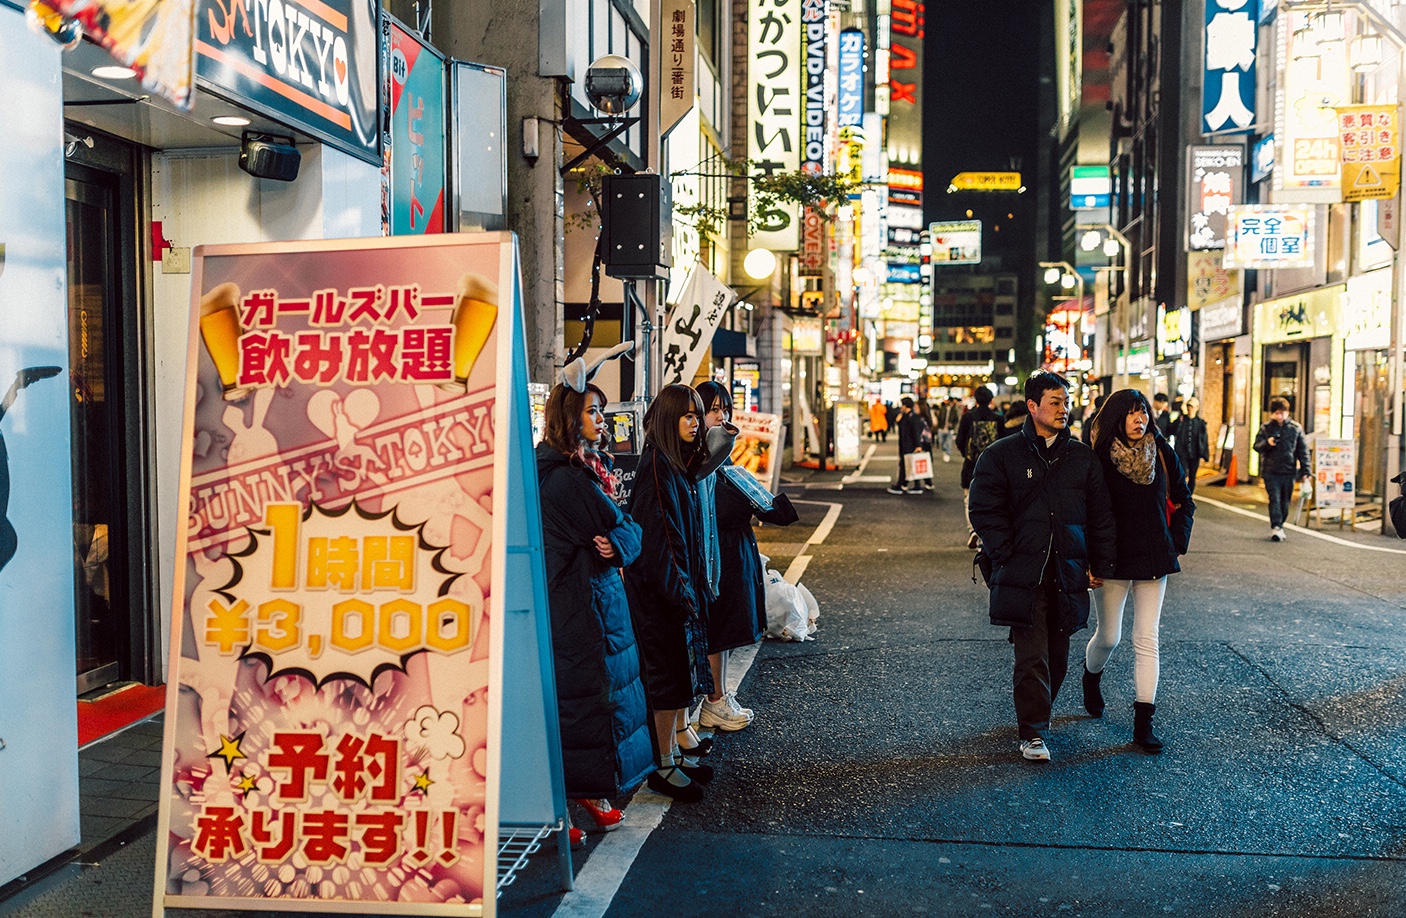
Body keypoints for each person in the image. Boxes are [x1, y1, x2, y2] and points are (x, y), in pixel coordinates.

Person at [968, 371, 1117, 763]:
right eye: (1055, 401)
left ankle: (1038, 716)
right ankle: (1032, 732)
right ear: (1033, 407)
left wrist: (1098, 562)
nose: (1064, 408)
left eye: (1066, 401)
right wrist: (1006, 554)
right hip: (1025, 573)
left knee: (1058, 655)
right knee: (1031, 655)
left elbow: (1100, 515)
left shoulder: (1081, 456)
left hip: (1067, 571)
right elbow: (984, 509)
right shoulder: (1001, 456)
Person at [537, 381, 653, 844]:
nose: (602, 420)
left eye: (602, 411)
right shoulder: (567, 477)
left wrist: (619, 543)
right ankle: (557, 808)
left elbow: (624, 532)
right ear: (570, 419)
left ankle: (582, 797)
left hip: (587, 602)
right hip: (578, 607)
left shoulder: (579, 467)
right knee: (580, 707)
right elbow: (621, 525)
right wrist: (621, 540)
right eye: (592, 411)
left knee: (585, 706)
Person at [1082, 389, 1194, 754]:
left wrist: (1175, 540)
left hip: (1152, 557)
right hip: (1111, 559)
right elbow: (1084, 513)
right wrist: (1087, 560)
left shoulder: (1161, 451)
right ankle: (1091, 675)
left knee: (1146, 637)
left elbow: (1184, 498)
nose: (1139, 419)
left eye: (1143, 411)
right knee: (1109, 636)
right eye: (1131, 413)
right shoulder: (1097, 459)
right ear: (1116, 417)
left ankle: (1143, 723)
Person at [624, 384, 716, 802]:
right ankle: (663, 764)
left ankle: (674, 755)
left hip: (677, 589)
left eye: (698, 417)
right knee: (667, 679)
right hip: (662, 594)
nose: (696, 425)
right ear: (668, 420)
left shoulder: (674, 464)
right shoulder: (657, 468)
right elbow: (659, 538)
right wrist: (681, 591)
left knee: (679, 677)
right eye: (689, 417)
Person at [694, 381, 798, 739]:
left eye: (725, 410)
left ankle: (719, 699)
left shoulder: (727, 465)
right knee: (717, 630)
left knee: (727, 632)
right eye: (713, 410)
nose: (720, 417)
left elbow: (769, 510)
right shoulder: (696, 467)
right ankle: (714, 699)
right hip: (712, 561)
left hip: (735, 557)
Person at [1253, 397, 1310, 541]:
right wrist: (1267, 442)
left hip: (1289, 471)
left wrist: (1306, 470)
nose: (1279, 416)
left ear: (1287, 412)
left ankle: (1280, 524)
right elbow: (1256, 446)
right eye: (1277, 413)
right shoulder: (1266, 428)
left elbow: (1302, 451)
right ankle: (1276, 526)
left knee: (1285, 501)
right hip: (1270, 471)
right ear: (1272, 413)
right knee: (1275, 499)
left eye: (1282, 413)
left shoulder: (1295, 429)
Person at [956, 386, 1002, 549]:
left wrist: (968, 455)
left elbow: (960, 440)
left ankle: (973, 530)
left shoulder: (968, 418)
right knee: (992, 501)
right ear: (991, 400)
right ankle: (986, 535)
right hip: (994, 469)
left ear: (975, 400)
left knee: (969, 500)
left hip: (971, 465)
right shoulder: (998, 419)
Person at [1171, 396, 1210, 494]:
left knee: (1192, 476)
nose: (1190, 408)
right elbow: (1172, 431)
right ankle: (1183, 493)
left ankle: (1189, 494)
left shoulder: (1200, 423)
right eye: (1188, 406)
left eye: (1192, 406)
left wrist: (1205, 454)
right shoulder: (1181, 420)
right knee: (1182, 473)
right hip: (1182, 452)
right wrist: (1177, 422)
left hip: (1195, 453)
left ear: (1197, 408)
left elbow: (1204, 439)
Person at [887, 397, 925, 494]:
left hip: (910, 445)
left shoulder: (913, 417)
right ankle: (907, 485)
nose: (901, 407)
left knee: (907, 465)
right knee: (908, 464)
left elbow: (916, 432)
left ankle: (902, 485)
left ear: (905, 405)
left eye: (902, 405)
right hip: (905, 444)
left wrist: (918, 445)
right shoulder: (906, 416)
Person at [937, 397, 962, 462]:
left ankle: (947, 453)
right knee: (941, 441)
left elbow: (956, 420)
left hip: (950, 429)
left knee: (948, 442)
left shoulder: (954, 410)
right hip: (942, 428)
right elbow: (939, 417)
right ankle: (944, 450)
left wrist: (952, 425)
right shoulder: (943, 409)